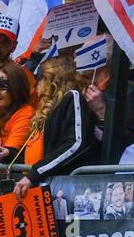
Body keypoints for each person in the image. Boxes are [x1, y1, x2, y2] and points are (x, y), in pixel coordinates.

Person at [12, 54, 99, 200]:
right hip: (42, 186)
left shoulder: (72, 96)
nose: (36, 84)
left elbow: (75, 143)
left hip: (64, 191)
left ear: (52, 79)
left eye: (40, 78)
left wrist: (34, 174)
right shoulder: (49, 107)